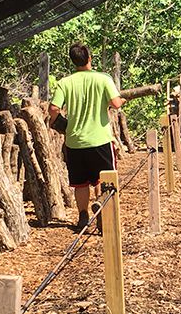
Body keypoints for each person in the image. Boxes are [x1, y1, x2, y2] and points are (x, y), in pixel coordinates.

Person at [48, 43, 126, 231]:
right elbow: (116, 104)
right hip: (100, 140)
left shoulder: (65, 83)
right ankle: (102, 209)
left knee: (80, 183)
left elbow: (53, 109)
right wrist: (122, 99)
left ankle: (83, 215)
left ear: (73, 61)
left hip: (75, 141)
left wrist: (60, 123)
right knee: (105, 179)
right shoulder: (103, 79)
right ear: (90, 58)